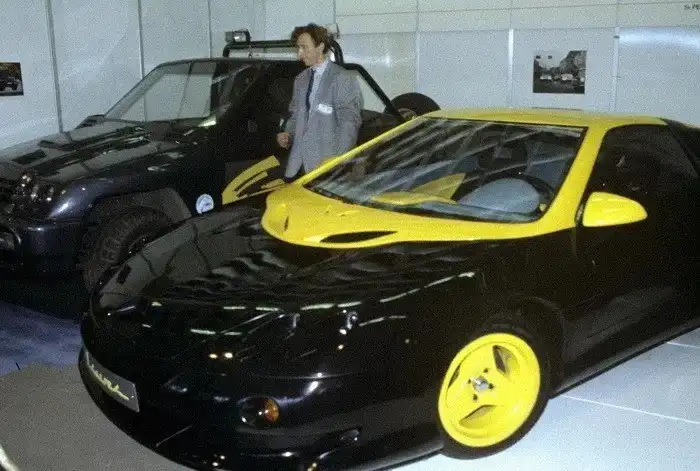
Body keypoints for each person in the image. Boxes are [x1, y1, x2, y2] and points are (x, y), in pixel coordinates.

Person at [276, 24, 363, 182]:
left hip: (327, 168)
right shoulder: (300, 80)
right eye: (298, 48)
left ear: (320, 46)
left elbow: (349, 124)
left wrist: (337, 162)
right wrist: (288, 134)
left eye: (304, 47)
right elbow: (295, 115)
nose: (299, 53)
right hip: (297, 166)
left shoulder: (342, 78)